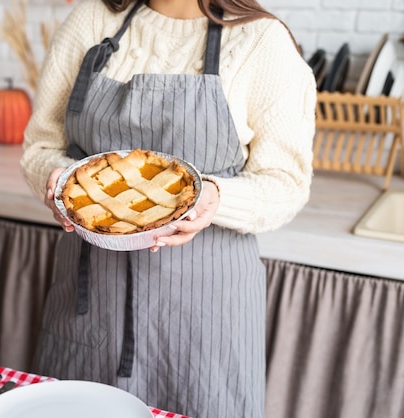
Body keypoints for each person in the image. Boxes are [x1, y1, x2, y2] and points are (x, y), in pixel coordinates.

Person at [20, 0, 316, 416]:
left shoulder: (260, 41)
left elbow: (286, 182)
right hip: (89, 305)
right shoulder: (91, 21)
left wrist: (215, 197)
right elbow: (41, 146)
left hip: (208, 317)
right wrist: (56, 179)